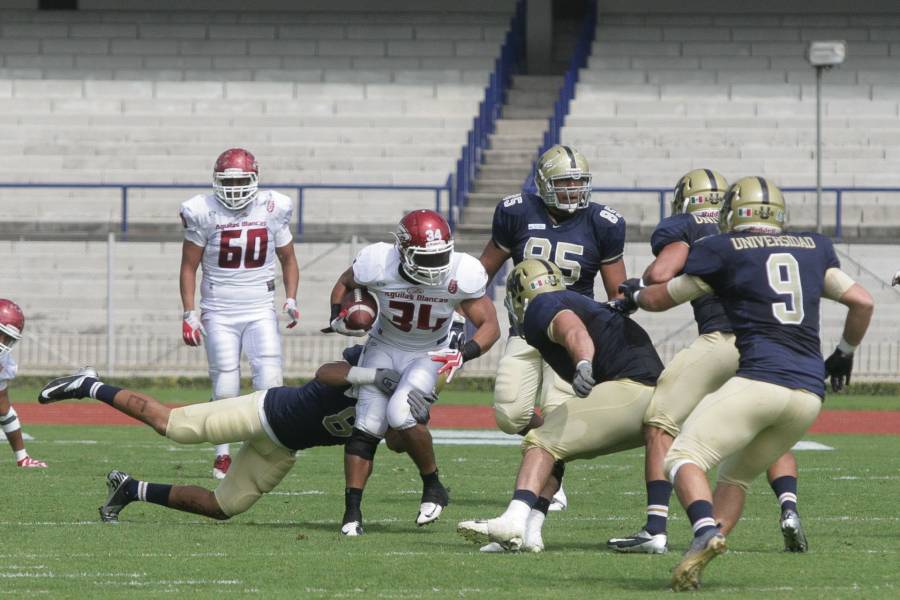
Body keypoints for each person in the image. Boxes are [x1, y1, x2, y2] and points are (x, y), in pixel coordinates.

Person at [617, 176, 873, 591]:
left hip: (760, 380)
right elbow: (862, 301)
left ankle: (702, 529)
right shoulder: (813, 247)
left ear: (732, 213)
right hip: (808, 394)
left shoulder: (722, 249)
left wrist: (634, 296)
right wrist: (843, 352)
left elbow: (662, 297)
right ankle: (702, 553)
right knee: (735, 477)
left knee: (682, 457)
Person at [607, 170, 806, 555]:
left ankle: (655, 528)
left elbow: (661, 274)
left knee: (661, 424)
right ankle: (789, 509)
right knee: (769, 429)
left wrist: (641, 287)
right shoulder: (776, 236)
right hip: (772, 346)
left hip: (722, 341)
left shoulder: (686, 225)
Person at [36, 348, 412, 522]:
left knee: (222, 508)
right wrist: (372, 376)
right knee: (174, 425)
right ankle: (88, 384)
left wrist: (407, 415)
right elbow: (326, 371)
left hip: (282, 449)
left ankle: (131, 490)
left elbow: (394, 444)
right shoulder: (369, 365)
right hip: (263, 412)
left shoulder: (399, 398)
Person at [456, 259, 664, 553]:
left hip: (632, 391)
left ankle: (512, 521)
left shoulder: (542, 305)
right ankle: (530, 531)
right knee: (556, 445)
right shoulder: (577, 301)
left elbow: (573, 331)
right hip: (653, 400)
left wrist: (582, 364)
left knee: (540, 441)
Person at [327, 209, 500, 535]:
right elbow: (345, 282)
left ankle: (433, 485)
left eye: (440, 257)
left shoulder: (461, 272)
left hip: (430, 351)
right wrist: (339, 315)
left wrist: (463, 354)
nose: (435, 267)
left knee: (401, 414)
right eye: (426, 258)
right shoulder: (378, 262)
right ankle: (352, 512)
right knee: (366, 426)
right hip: (383, 344)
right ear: (403, 252)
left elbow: (490, 326)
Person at [478, 144, 627, 511]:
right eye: (564, 183)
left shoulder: (603, 222)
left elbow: (617, 295)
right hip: (526, 327)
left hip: (571, 328)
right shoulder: (515, 212)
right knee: (510, 413)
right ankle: (548, 453)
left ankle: (549, 476)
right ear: (543, 183)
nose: (574, 191)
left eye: (579, 183)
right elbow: (483, 271)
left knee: (559, 409)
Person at [179, 147, 300, 479]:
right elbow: (189, 267)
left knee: (270, 377)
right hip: (219, 308)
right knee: (226, 381)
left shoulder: (273, 207)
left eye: (241, 181)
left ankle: (267, 442)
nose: (234, 189)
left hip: (260, 305)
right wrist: (189, 312)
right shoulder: (202, 210)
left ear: (255, 179)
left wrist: (291, 298)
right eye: (227, 182)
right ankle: (222, 454)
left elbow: (288, 259)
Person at [0, 299, 46, 468]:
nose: (2, 343)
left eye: (8, 339)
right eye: (0, 334)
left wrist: (22, 457)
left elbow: (3, 409)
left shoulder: (4, 363)